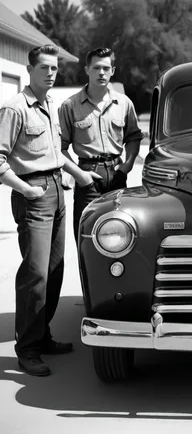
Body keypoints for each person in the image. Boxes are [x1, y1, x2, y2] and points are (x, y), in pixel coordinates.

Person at [0, 45, 102, 377]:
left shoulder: (49, 104)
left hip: (58, 190)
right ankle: (27, 349)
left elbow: (56, 153)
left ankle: (42, 337)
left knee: (56, 269)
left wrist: (78, 175)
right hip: (34, 194)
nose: (50, 73)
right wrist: (27, 190)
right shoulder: (15, 109)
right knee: (36, 274)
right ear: (29, 70)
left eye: (55, 68)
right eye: (44, 67)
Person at [58, 47, 143, 241]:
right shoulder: (70, 106)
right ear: (87, 70)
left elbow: (133, 137)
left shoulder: (124, 103)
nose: (101, 73)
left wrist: (127, 165)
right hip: (88, 176)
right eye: (96, 68)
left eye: (106, 68)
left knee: (121, 234)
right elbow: (59, 147)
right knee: (86, 237)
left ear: (113, 70)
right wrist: (79, 175)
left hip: (117, 175)